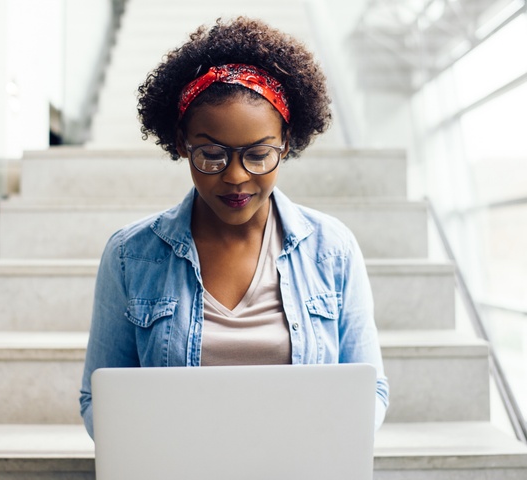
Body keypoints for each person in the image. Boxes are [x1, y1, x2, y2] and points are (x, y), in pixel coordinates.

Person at [80, 16, 388, 439]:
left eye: (259, 154)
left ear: (286, 143)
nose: (236, 177)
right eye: (211, 154)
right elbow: (99, 399)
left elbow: (371, 389)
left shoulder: (332, 249)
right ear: (182, 143)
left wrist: (325, 447)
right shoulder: (130, 255)